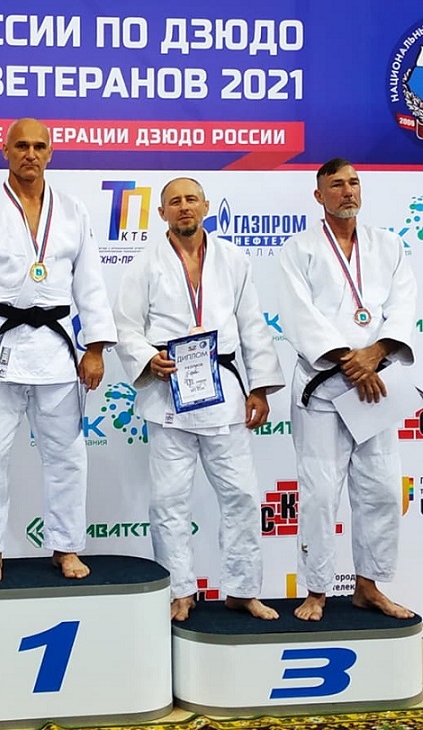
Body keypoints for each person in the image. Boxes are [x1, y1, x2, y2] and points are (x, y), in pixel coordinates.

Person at [0, 118, 116, 583]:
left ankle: (66, 546)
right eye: (21, 146)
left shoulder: (73, 210)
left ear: (50, 152)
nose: (30, 154)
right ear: (6, 151)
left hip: (56, 349)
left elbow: (91, 285)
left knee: (67, 456)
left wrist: (95, 347)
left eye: (38, 146)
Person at [113, 178, 283, 621]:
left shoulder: (234, 259)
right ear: (162, 213)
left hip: (223, 391)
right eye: (175, 202)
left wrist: (260, 386)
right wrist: (147, 358)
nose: (184, 207)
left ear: (206, 206)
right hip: (170, 395)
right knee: (168, 501)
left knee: (242, 496)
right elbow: (126, 325)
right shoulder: (144, 264)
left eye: (191, 199)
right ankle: (180, 591)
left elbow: (253, 326)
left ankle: (243, 589)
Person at [278, 158, 416, 622]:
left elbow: (403, 306)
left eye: (354, 183)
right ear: (320, 196)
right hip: (323, 388)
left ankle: (368, 587)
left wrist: (374, 353)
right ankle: (316, 590)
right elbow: (298, 314)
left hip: (374, 388)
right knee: (320, 492)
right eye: (336, 185)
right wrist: (350, 360)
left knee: (381, 489)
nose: (348, 191)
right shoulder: (298, 249)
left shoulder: (388, 246)